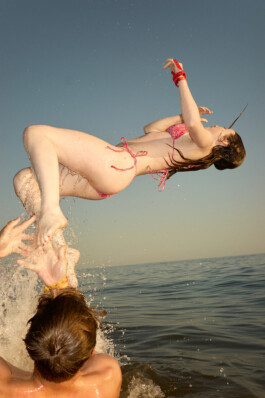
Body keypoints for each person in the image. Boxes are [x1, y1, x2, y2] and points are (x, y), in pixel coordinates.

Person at [13, 58, 246, 247]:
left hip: (118, 163)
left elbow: (195, 125)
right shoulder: (190, 143)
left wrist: (180, 78)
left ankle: (52, 212)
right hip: (110, 176)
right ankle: (59, 252)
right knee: (25, 180)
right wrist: (182, 117)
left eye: (223, 129)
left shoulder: (205, 146)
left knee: (36, 134)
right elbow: (150, 129)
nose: (216, 125)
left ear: (225, 142)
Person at [0, 222, 122, 398]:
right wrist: (62, 286)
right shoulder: (107, 376)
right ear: (92, 350)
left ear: (28, 341)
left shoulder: (6, 390)